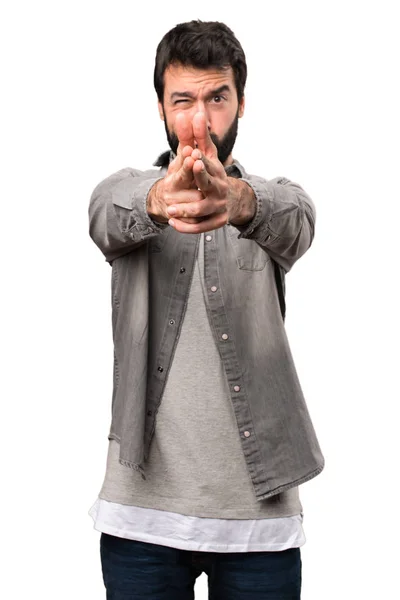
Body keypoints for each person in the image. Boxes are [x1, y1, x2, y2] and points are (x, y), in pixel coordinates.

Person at [88, 19, 324, 600]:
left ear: (242, 102)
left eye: (217, 98)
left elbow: (297, 220)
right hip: (141, 521)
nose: (200, 121)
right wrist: (157, 200)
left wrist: (239, 202)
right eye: (183, 101)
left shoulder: (272, 204)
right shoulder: (128, 192)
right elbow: (103, 213)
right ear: (161, 109)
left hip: (259, 526)